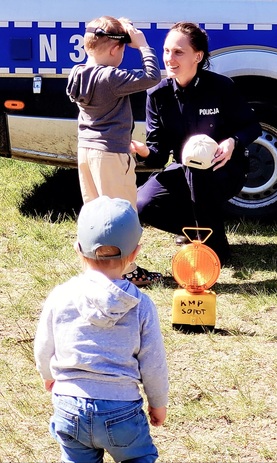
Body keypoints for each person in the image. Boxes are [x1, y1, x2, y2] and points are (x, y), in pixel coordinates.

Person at [34, 195, 169, 463]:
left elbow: (43, 346)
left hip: (68, 404)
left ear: (77, 248)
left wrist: (48, 374)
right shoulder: (141, 305)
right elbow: (153, 363)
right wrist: (158, 403)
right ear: (135, 254)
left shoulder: (60, 295)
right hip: (120, 411)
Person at [133, 22, 262, 265]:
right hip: (185, 169)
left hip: (226, 169)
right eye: (166, 51)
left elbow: (252, 127)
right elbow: (159, 156)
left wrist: (233, 142)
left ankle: (216, 252)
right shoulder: (157, 95)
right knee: (142, 204)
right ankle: (199, 232)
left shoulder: (221, 87)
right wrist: (142, 151)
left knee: (198, 167)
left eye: (178, 52)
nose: (170, 58)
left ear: (198, 56)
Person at [66, 15, 162, 285]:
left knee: (95, 214)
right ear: (115, 49)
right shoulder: (111, 77)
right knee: (121, 215)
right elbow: (151, 77)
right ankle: (128, 272)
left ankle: (95, 265)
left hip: (85, 151)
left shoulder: (77, 73)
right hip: (110, 153)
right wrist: (142, 45)